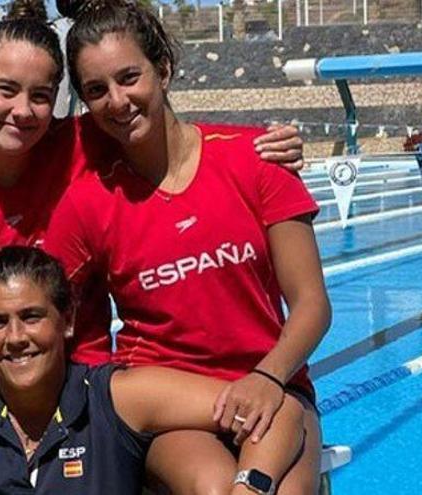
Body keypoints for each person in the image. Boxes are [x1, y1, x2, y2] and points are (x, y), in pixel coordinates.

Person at [0, 0, 306, 492]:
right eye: (7, 90)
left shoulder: (82, 143)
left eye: (41, 95)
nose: (23, 111)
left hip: (77, 381)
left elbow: (143, 109)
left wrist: (260, 146)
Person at [40, 0, 332, 493]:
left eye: (129, 77)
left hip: (276, 387)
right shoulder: (90, 202)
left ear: (165, 69)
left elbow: (311, 304)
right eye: (96, 90)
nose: (117, 100)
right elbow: (39, 300)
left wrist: (268, 376)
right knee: (214, 487)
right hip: (172, 407)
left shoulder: (255, 159)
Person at [0, 246, 306, 495]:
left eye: (32, 316)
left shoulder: (114, 399)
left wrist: (250, 487)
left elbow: (280, 410)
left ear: (68, 321)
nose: (16, 337)